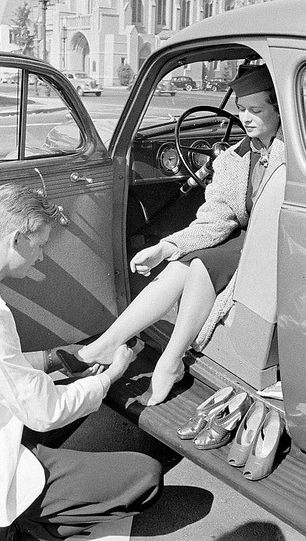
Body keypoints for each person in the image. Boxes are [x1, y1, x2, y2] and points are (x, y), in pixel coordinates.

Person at [0, 184, 162, 541]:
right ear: (17, 240)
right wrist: (111, 376)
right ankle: (15, 523)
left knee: (68, 390)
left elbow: (1, 365)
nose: (42, 257)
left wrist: (69, 358)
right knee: (145, 475)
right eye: (41, 245)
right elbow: (45, 412)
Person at [66, 64, 285, 407]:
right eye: (240, 109)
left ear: (279, 108)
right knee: (183, 263)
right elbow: (214, 220)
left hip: (280, 240)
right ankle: (117, 343)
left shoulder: (297, 150)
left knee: (200, 265)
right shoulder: (235, 157)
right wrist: (166, 246)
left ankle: (169, 361)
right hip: (249, 237)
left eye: (256, 110)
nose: (245, 118)